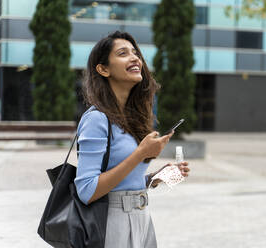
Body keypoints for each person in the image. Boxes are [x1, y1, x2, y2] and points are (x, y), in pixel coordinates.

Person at [74, 31, 190, 248]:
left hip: (142, 219)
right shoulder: (97, 119)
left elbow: (122, 180)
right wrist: (140, 154)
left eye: (135, 53)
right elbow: (87, 191)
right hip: (112, 223)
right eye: (123, 53)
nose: (135, 58)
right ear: (103, 69)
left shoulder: (130, 118)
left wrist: (155, 178)